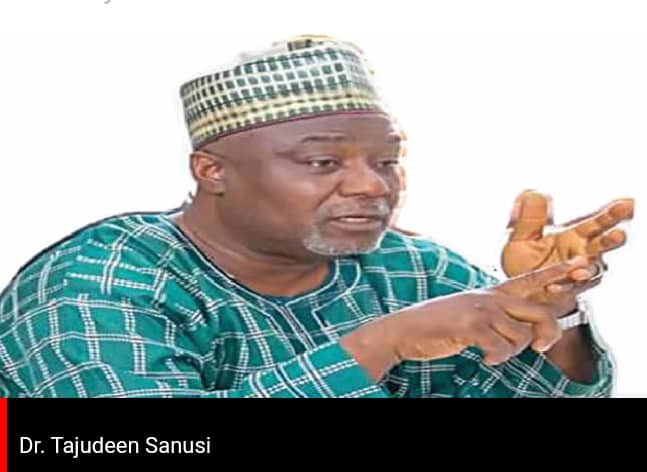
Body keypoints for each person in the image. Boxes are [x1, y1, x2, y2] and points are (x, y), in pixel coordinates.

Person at [0, 35, 634, 398]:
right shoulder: (99, 282)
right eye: (323, 162)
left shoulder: (414, 270)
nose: (372, 186)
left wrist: (552, 311)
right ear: (212, 171)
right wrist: (378, 346)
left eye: (387, 161)